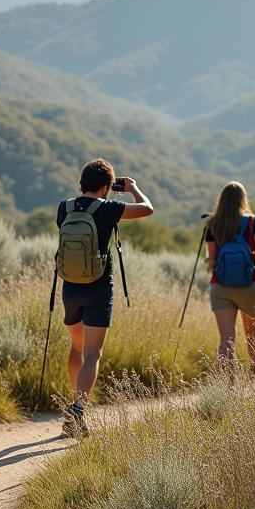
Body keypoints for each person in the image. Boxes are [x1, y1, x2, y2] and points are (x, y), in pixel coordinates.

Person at [56, 158, 154, 437]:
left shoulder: (64, 207)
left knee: (77, 347)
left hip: (70, 287)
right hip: (99, 287)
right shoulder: (108, 208)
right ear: (105, 186)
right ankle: (77, 410)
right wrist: (134, 188)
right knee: (92, 354)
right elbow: (148, 208)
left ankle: (73, 403)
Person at [205, 181, 255, 377]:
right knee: (252, 332)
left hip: (220, 286)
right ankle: (252, 374)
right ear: (243, 199)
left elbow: (211, 262)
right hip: (248, 285)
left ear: (222, 200)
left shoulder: (213, 224)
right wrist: (252, 254)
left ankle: (228, 383)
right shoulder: (253, 222)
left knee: (226, 337)